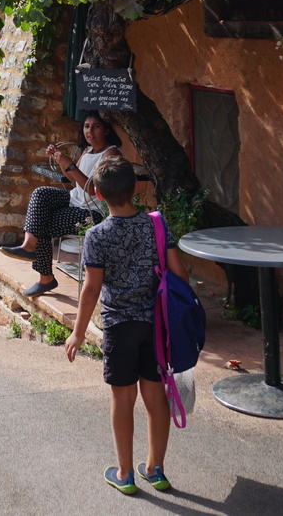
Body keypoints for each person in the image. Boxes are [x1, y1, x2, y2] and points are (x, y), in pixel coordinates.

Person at [66, 154, 189, 495]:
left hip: (119, 327)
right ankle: (155, 469)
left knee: (123, 400)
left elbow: (91, 289)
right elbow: (180, 273)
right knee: (155, 397)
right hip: (155, 324)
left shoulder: (96, 235)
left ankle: (124, 473)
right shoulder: (156, 224)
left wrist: (78, 331)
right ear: (136, 189)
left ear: (100, 196)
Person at [0, 113, 123, 295]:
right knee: (41, 193)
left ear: (106, 130)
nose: (90, 131)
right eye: (87, 126)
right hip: (75, 200)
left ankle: (45, 278)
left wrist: (69, 164)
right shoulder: (88, 150)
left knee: (44, 224)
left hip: (93, 211)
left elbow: (92, 189)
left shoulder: (111, 153)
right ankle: (28, 246)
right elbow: (74, 180)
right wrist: (60, 159)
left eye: (96, 126)